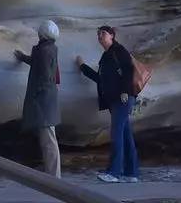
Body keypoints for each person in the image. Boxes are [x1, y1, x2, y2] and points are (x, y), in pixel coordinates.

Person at [75, 25, 139, 184]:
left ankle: (114, 172)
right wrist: (82, 67)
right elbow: (100, 79)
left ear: (112, 35)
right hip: (115, 100)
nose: (100, 36)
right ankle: (131, 173)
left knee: (117, 134)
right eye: (98, 34)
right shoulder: (106, 56)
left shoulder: (119, 50)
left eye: (103, 33)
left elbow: (129, 70)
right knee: (125, 135)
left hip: (122, 98)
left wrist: (125, 91)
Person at [14, 20, 62, 177]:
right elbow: (39, 65)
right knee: (47, 139)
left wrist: (36, 93)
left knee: (48, 141)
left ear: (42, 33)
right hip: (47, 101)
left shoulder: (44, 50)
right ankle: (52, 173)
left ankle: (54, 176)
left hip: (43, 101)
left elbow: (45, 76)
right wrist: (23, 57)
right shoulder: (48, 48)